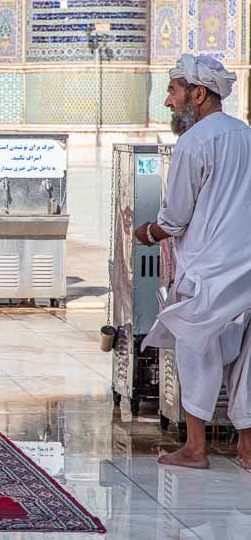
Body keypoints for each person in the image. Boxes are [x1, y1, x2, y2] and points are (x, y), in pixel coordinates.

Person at [134, 54, 251, 470]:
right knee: (245, 358)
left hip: (208, 267)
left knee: (196, 348)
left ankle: (196, 447)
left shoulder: (195, 142)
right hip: (247, 268)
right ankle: (247, 448)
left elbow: (175, 217)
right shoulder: (246, 135)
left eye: (173, 90)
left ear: (198, 94)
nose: (168, 101)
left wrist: (147, 232)